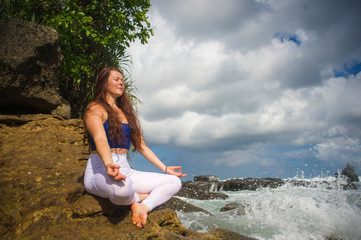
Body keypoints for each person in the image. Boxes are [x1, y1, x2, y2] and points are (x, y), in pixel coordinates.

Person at [83, 66, 187, 228]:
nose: (121, 83)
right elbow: (100, 138)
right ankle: (137, 196)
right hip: (100, 170)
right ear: (104, 83)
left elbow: (142, 146)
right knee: (122, 190)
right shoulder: (95, 108)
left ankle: (143, 206)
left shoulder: (125, 113)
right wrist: (109, 164)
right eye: (116, 79)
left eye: (122, 80)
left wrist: (166, 169)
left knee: (174, 182)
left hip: (126, 170)